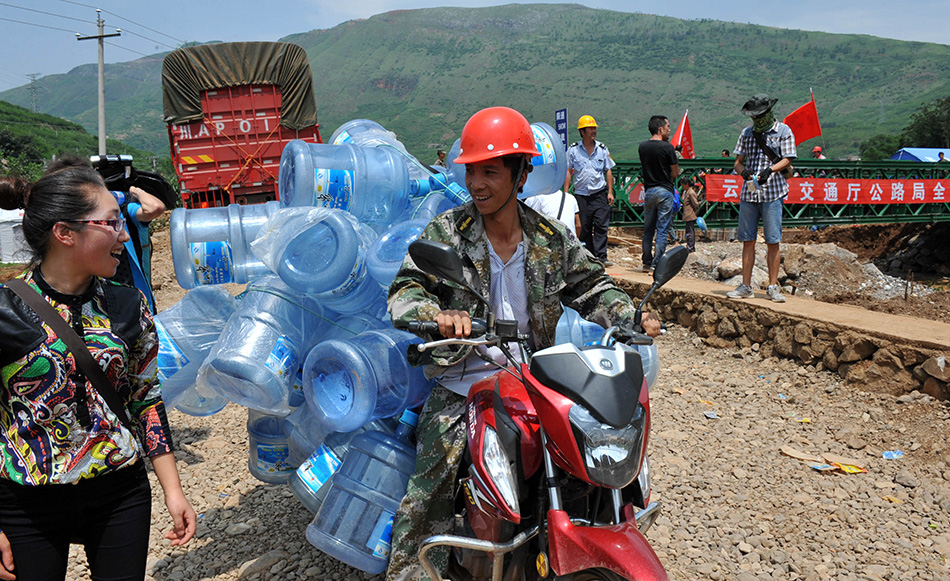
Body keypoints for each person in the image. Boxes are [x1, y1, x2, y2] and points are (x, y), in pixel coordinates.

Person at [386, 106, 661, 581]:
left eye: (490, 171)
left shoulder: (551, 239)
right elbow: (404, 292)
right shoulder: (447, 233)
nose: (477, 183)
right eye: (471, 170)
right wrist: (438, 316)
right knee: (425, 494)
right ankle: (411, 571)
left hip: (533, 382)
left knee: (598, 460)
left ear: (521, 174)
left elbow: (594, 286)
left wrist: (629, 315)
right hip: (462, 383)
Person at [0, 159, 196, 580]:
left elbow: (146, 400)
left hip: (119, 491)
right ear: (65, 233)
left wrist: (173, 491)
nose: (124, 234)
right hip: (26, 503)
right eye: (111, 223)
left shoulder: (128, 304)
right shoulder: (5, 310)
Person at [727, 94, 797, 303]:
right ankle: (746, 285)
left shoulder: (783, 131)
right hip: (750, 192)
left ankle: (773, 286)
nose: (757, 120)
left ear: (768, 113)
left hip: (773, 192)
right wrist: (743, 171)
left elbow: (788, 158)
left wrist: (770, 170)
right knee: (748, 240)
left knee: (772, 240)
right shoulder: (747, 134)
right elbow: (738, 161)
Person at [564, 114, 615, 266]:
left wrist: (610, 191)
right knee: (584, 227)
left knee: (601, 226)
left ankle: (601, 257)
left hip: (599, 193)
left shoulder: (602, 149)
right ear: (582, 131)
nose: (593, 131)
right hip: (581, 196)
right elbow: (568, 171)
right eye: (590, 128)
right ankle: (589, 256)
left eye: (594, 128)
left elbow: (608, 170)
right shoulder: (573, 151)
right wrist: (566, 193)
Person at [110, 185, 165, 312]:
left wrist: (135, 191)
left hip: (135, 294)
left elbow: (155, 207)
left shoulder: (125, 211)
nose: (124, 237)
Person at [638, 115, 680, 273]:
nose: (670, 130)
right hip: (665, 191)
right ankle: (656, 264)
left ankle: (646, 262)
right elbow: (675, 173)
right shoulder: (668, 148)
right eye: (668, 127)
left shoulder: (642, 147)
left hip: (649, 191)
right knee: (662, 229)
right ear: (660, 129)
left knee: (648, 228)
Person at [679, 178, 701, 253]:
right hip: (689, 214)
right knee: (689, 231)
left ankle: (690, 247)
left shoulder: (690, 192)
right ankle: (690, 246)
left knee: (690, 232)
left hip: (690, 214)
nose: (682, 187)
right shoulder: (688, 192)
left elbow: (695, 203)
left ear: (687, 184)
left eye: (683, 185)